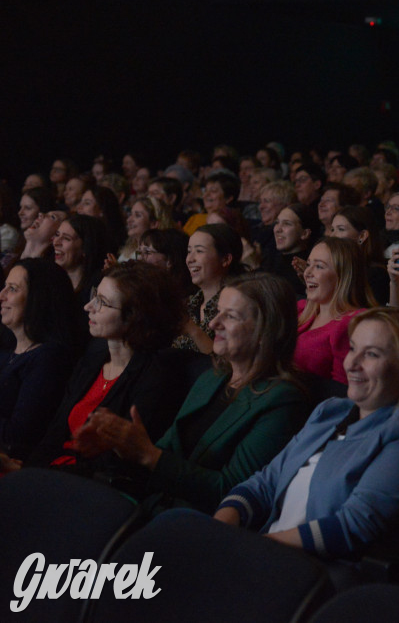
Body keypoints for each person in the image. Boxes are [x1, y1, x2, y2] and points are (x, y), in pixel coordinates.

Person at [212, 307, 399, 561]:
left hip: (311, 573)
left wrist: (253, 547)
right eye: (352, 349)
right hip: (264, 552)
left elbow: (353, 525)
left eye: (371, 354)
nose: (352, 364)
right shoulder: (331, 411)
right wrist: (220, 527)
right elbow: (265, 482)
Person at [81, 273, 310, 512]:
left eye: (229, 316)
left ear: (266, 330)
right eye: (217, 312)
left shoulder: (282, 400)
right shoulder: (213, 376)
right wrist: (119, 444)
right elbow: (166, 449)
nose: (213, 324)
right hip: (155, 505)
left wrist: (149, 454)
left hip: (197, 526)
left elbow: (232, 491)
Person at [16, 262, 187, 476]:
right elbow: (54, 433)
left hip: (92, 488)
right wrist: (24, 471)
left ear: (135, 317)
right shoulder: (93, 359)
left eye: (103, 303)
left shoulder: (156, 378)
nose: (88, 307)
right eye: (94, 295)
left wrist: (42, 476)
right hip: (52, 473)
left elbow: (117, 465)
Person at [0, 260, 80, 461]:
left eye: (13, 289)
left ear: (38, 299)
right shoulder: (8, 352)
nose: (2, 296)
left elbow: (18, 437)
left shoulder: (49, 358)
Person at [294, 238, 372, 384]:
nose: (307, 273)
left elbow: (341, 391)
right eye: (309, 264)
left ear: (342, 276)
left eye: (319, 266)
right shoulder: (300, 309)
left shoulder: (352, 323)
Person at [173, 224, 245, 354]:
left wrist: (193, 330)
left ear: (225, 259)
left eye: (199, 251)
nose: (190, 259)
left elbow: (229, 363)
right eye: (189, 251)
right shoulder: (188, 304)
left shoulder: (237, 306)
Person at [329, 205, 389, 306]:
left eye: (341, 229)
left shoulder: (376, 275)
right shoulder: (334, 267)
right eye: (332, 230)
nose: (332, 236)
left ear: (362, 236)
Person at [53, 215, 113, 309]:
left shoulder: (98, 287)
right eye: (57, 235)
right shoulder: (50, 280)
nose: (56, 242)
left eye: (66, 238)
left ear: (85, 248)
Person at [118, 195, 174, 262]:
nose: (129, 220)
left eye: (137, 215)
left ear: (154, 223)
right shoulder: (129, 250)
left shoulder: (156, 255)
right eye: (130, 214)